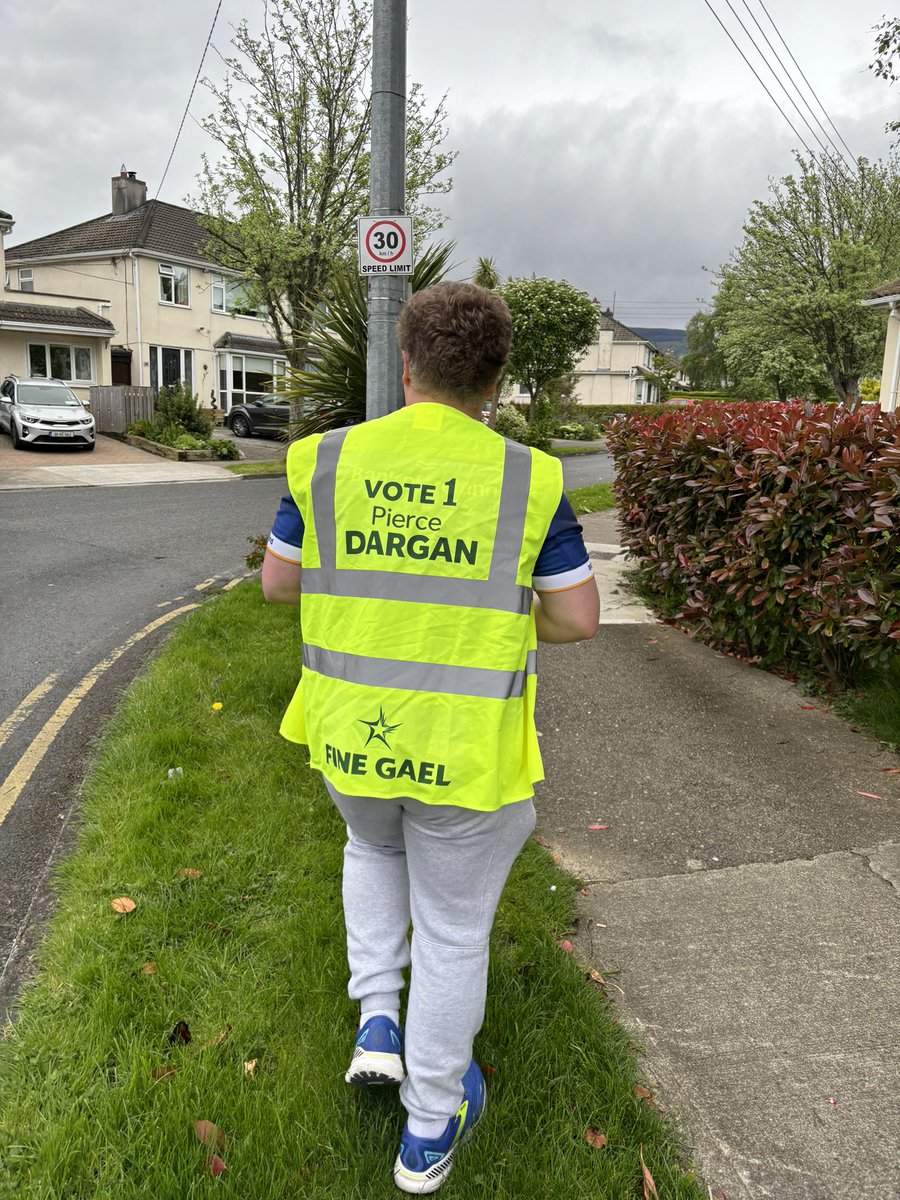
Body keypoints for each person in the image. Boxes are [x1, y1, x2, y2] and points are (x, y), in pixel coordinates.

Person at [261, 281, 599, 1194]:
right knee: (453, 932)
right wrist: (488, 623)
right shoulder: (528, 476)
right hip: (463, 747)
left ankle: (378, 1016)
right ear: (495, 381)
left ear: (405, 367)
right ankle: (426, 1132)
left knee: (369, 845)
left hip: (347, 737)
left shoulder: (324, 459)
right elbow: (576, 619)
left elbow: (279, 587)